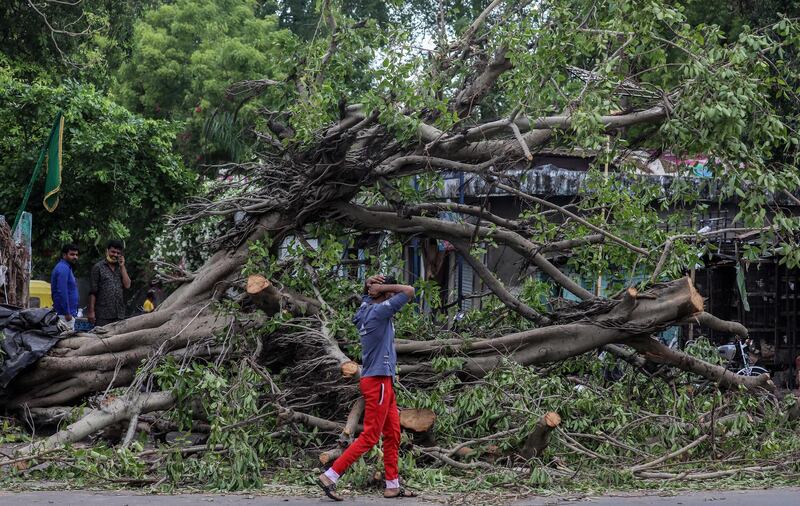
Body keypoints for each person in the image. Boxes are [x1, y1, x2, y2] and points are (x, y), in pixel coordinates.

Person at [316, 274, 417, 501]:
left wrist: (368, 287)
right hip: (378, 381)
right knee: (371, 436)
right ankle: (330, 475)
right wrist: (382, 287)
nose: (393, 296)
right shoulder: (380, 312)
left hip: (382, 380)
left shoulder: (364, 311)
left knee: (392, 434)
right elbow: (409, 291)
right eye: (389, 293)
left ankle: (392, 485)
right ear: (385, 294)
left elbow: (366, 297)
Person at [87, 240, 131, 327]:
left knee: (118, 340)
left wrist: (122, 266)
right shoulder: (98, 267)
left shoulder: (121, 268)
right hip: (102, 315)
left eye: (118, 253)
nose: (115, 255)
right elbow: (93, 292)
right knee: (102, 339)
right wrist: (91, 312)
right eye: (113, 252)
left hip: (119, 315)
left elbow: (127, 285)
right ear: (107, 251)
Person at [50, 243, 79, 331]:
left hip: (66, 314)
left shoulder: (66, 267)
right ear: (64, 255)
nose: (75, 257)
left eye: (76, 255)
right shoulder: (63, 269)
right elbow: (62, 292)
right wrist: (67, 313)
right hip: (65, 315)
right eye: (72, 254)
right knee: (66, 342)